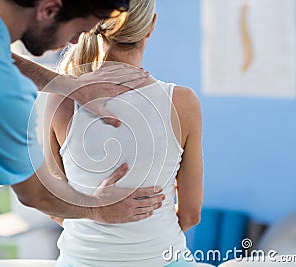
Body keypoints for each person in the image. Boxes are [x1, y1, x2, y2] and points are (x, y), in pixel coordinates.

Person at [0, 0, 166, 266]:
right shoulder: (1, 92)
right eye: (79, 30)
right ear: (49, 9)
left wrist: (68, 85)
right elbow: (37, 194)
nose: (77, 42)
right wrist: (98, 207)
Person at [43, 0, 204, 266]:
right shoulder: (182, 103)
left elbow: (51, 202)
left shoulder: (59, 100)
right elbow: (190, 216)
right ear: (150, 27)